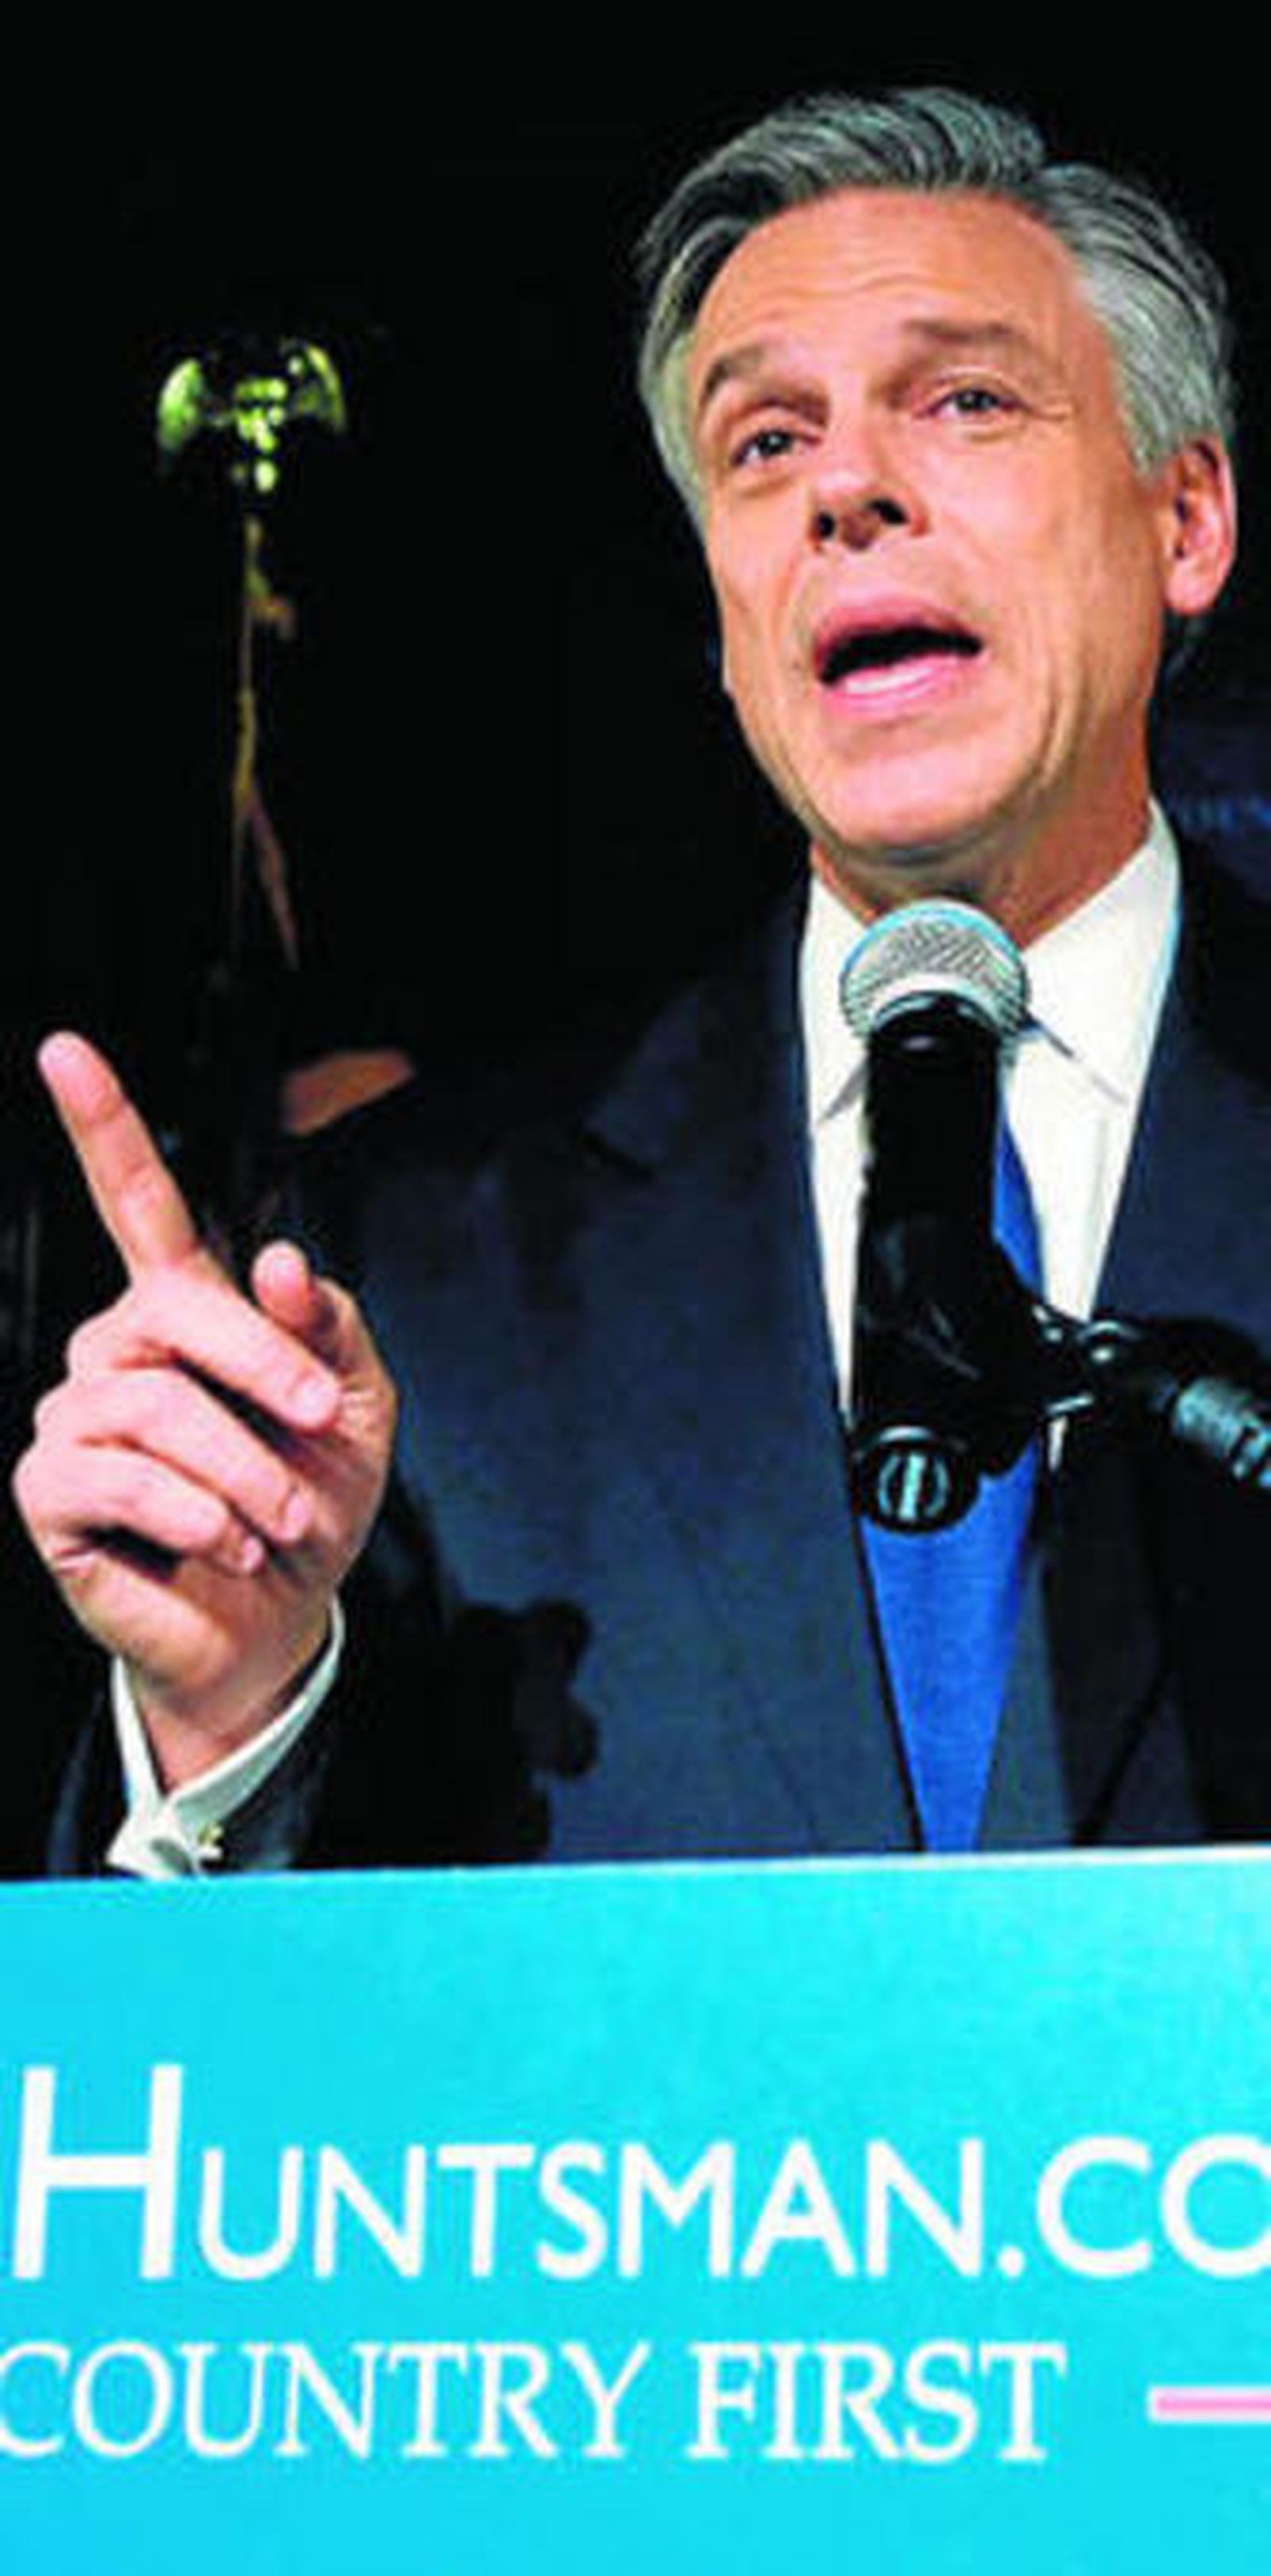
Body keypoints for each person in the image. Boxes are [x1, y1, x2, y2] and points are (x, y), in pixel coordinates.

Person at [11, 87, 1270, 1874]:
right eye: (764, 442)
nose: (843, 488)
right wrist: (232, 1720)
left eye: (965, 401)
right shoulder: (412, 1268)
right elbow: (253, 2027)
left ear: (1185, 517)